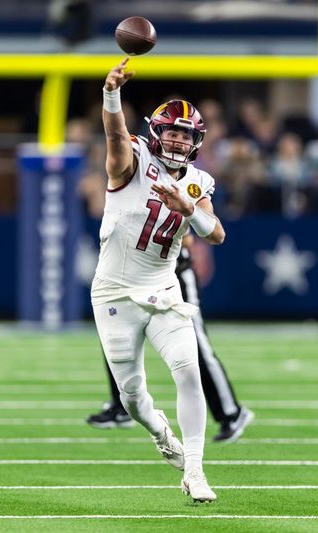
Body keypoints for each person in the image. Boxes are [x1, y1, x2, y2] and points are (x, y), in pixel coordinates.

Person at [91, 58, 225, 502]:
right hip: (114, 291)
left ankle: (195, 470)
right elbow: (114, 137)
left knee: (188, 370)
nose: (177, 138)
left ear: (195, 141)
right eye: (171, 130)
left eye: (186, 134)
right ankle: (158, 430)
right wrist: (112, 93)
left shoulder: (197, 183)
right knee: (132, 397)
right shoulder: (133, 159)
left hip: (164, 289)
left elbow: (217, 233)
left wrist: (189, 210)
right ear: (155, 132)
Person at [87, 234, 254, 443]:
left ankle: (231, 412)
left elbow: (188, 239)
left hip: (173, 276)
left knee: (196, 344)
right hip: (134, 279)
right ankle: (121, 406)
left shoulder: (169, 200)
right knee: (116, 336)